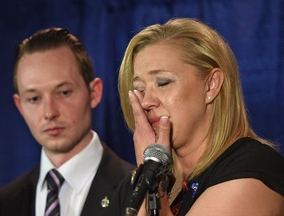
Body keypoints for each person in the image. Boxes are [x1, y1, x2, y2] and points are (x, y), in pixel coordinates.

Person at [104, 18, 284, 215]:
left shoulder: (253, 168)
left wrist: (153, 182)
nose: (146, 102)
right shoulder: (131, 188)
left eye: (163, 82)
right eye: (139, 89)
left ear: (211, 85)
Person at [0, 27, 134, 216]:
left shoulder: (136, 191)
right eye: (34, 98)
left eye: (64, 93)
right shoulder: (4, 204)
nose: (49, 112)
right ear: (20, 106)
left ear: (94, 93)